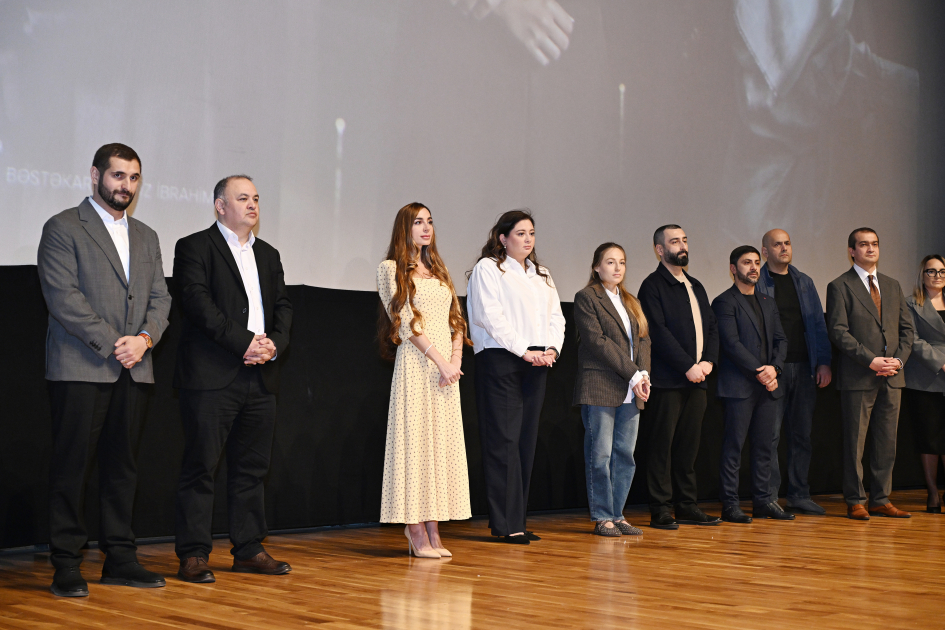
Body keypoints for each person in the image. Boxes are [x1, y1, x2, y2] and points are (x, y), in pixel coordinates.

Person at [37, 143, 172, 597]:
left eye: (133, 178)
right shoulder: (63, 227)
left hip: (135, 367)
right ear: (95, 176)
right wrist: (117, 343)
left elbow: (161, 299)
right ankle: (66, 563)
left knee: (123, 469)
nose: (126, 186)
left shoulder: (147, 235)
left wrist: (145, 340)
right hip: (82, 366)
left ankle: (120, 559)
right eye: (118, 176)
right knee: (72, 469)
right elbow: (63, 298)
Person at [173, 175, 293, 582]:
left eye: (256, 198)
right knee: (200, 467)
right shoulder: (194, 247)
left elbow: (283, 306)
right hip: (212, 375)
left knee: (252, 468)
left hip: (261, 375)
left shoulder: (269, 254)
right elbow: (197, 304)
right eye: (243, 198)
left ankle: (248, 549)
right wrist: (244, 343)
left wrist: (273, 345)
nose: (252, 204)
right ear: (220, 206)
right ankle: (193, 553)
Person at [376, 202, 472, 558]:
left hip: (445, 372)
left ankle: (434, 528)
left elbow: (456, 321)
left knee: (439, 448)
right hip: (417, 367)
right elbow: (404, 321)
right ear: (405, 228)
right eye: (418, 222)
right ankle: (414, 527)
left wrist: (454, 361)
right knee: (414, 446)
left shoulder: (438, 270)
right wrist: (439, 361)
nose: (426, 227)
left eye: (429, 221)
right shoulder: (390, 269)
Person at [466, 209, 565, 544]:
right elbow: (489, 316)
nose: (528, 239)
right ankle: (507, 524)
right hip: (501, 359)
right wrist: (524, 350)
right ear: (503, 238)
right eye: (520, 233)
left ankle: (517, 520)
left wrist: (552, 349)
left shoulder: (542, 274)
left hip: (537, 360)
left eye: (531, 233)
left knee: (525, 440)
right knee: (503, 441)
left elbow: (557, 318)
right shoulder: (488, 268)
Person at [826, 227, 914, 520]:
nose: (871, 249)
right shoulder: (839, 286)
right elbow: (838, 332)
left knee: (887, 443)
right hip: (859, 376)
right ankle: (855, 500)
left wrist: (897, 361)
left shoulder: (892, 285)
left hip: (893, 375)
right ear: (852, 251)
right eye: (863, 244)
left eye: (874, 244)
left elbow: (907, 330)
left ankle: (880, 499)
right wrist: (872, 360)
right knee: (855, 443)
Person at [638, 224, 721, 530]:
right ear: (660, 250)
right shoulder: (652, 286)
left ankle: (686, 505)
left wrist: (709, 361)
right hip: (668, 381)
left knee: (689, 447)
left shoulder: (696, 285)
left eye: (684, 240)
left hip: (698, 380)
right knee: (661, 447)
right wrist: (687, 365)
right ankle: (660, 509)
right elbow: (658, 332)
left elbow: (711, 327)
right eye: (675, 241)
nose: (682, 246)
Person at [573, 243, 651, 537]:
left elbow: (644, 340)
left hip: (632, 387)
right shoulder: (587, 298)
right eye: (610, 262)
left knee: (625, 454)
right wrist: (634, 373)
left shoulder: (632, 301)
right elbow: (598, 342)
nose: (617, 268)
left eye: (622, 262)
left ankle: (617, 515)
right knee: (601, 454)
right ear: (596, 267)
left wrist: (643, 374)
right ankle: (603, 516)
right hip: (600, 386)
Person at [712, 246, 792, 523]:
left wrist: (775, 369)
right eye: (747, 262)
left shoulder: (768, 302)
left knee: (765, 447)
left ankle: (763, 501)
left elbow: (781, 340)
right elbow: (731, 344)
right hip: (738, 387)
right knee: (733, 447)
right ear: (733, 268)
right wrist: (761, 371)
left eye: (757, 262)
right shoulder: (724, 302)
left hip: (767, 387)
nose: (754, 267)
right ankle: (730, 505)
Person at [756, 229, 833, 515]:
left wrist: (823, 362)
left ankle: (799, 494)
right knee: (771, 437)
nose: (784, 248)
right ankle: (769, 497)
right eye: (777, 244)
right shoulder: (758, 281)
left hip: (804, 368)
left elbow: (818, 326)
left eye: (787, 243)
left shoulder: (804, 282)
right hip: (773, 370)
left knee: (802, 435)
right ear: (765, 251)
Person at [903, 255, 945, 513]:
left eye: (942, 271)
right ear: (922, 275)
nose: (937, 276)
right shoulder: (911, 303)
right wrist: (941, 361)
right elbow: (913, 340)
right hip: (925, 377)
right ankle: (932, 493)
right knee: (929, 438)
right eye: (931, 271)